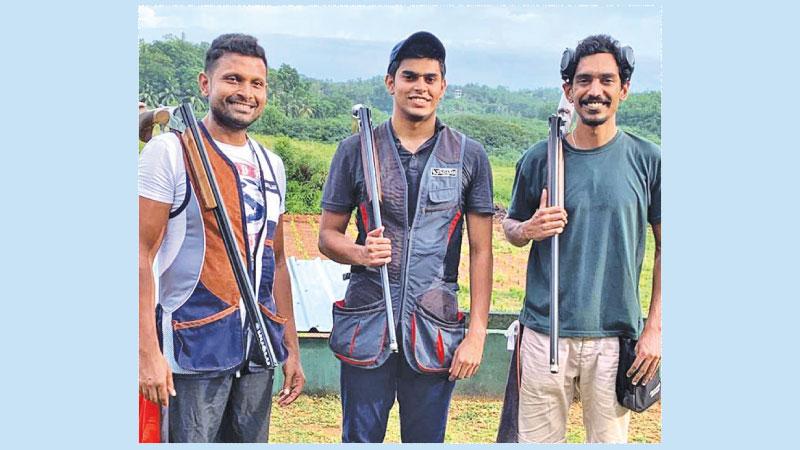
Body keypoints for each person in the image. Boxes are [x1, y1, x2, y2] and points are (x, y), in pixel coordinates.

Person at [318, 31, 494, 443]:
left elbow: (482, 251)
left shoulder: (469, 155)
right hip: (367, 325)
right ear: (390, 82)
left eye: (430, 79)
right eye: (410, 76)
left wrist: (478, 333)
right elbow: (327, 236)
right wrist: (360, 253)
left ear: (443, 87)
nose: (420, 87)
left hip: (434, 326)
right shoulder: (355, 149)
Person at [138, 33, 305, 443]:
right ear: (205, 83)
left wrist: (291, 347)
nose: (245, 92)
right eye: (233, 79)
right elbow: (137, 254)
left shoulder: (273, 164)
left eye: (256, 83)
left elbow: (277, 261)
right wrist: (146, 353)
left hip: (257, 348)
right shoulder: (171, 152)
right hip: (191, 346)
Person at [501, 34, 661, 443]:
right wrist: (528, 229)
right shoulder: (541, 157)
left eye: (607, 80)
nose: (595, 91)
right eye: (584, 80)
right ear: (567, 90)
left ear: (624, 90)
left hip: (614, 336)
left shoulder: (648, 160)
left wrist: (655, 328)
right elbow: (510, 227)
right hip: (542, 333)